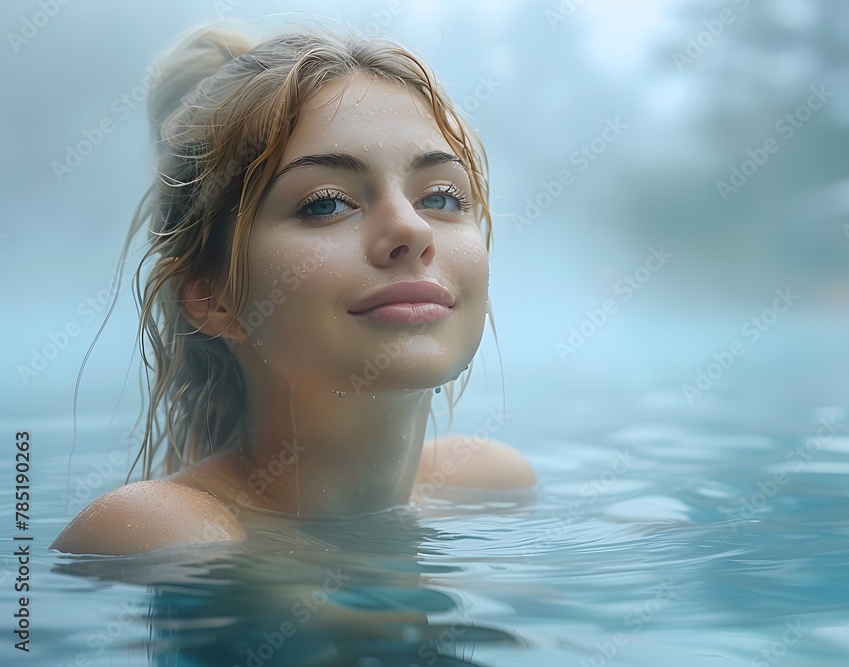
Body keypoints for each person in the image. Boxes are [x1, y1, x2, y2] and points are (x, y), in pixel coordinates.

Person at [51, 24, 534, 556]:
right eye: (326, 203)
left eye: (441, 197)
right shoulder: (158, 532)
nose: (412, 230)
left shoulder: (489, 487)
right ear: (214, 297)